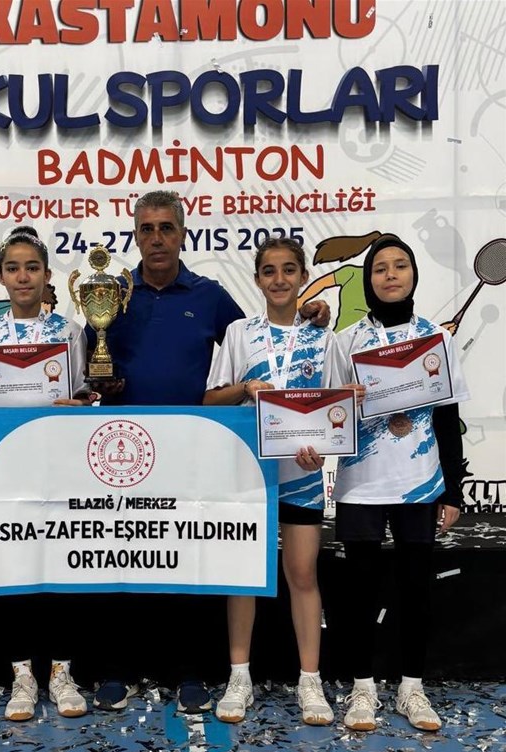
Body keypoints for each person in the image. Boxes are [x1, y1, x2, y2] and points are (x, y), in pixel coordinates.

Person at [86, 190, 331, 715]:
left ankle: (189, 670)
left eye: (166, 228)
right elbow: (91, 364)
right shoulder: (111, 294)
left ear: (182, 234)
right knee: (122, 558)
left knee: (188, 559)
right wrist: (99, 384)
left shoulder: (210, 296)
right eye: (147, 228)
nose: (156, 238)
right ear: (135, 235)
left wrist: (309, 314)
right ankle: (118, 669)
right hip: (124, 450)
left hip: (195, 450)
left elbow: (260, 342)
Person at [328, 234, 468, 732]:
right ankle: (362, 688)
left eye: (400, 265)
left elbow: (448, 419)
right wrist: (343, 400)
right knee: (359, 593)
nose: (390, 274)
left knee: (415, 590)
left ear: (413, 274)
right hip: (361, 484)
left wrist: (453, 490)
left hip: (420, 482)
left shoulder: (437, 339)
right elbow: (330, 418)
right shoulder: (346, 341)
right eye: (380, 267)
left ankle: (412, 688)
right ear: (368, 279)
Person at [0, 225, 93, 722]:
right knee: (13, 567)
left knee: (60, 566)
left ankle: (60, 671)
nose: (22, 277)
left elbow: (83, 394)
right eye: (13, 268)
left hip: (58, 466)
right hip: (6, 467)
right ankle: (21, 675)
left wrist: (81, 402)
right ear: (0, 276)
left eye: (32, 267)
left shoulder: (69, 332)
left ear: (46, 274)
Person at [203, 237, 336, 725]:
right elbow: (210, 399)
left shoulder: (325, 339)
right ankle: (239, 677)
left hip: (301, 475)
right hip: (249, 474)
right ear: (257, 279)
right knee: (243, 576)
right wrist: (244, 387)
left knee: (302, 575)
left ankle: (310, 681)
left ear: (303, 277)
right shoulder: (239, 333)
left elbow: (338, 407)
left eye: (288, 270)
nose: (279, 279)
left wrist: (323, 449)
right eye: (269, 271)